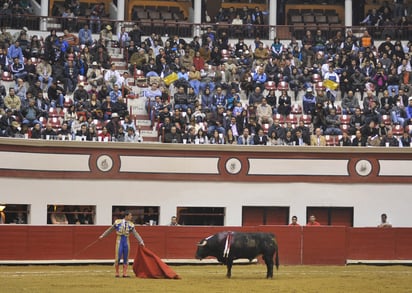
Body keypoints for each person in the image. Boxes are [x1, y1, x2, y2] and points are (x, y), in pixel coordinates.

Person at [99, 211, 144, 277]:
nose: (131, 217)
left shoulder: (131, 224)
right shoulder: (118, 222)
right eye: (130, 215)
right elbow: (110, 230)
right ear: (126, 216)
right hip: (119, 240)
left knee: (126, 256)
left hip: (126, 240)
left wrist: (141, 241)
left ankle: (124, 273)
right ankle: (117, 273)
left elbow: (135, 234)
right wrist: (103, 236)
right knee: (118, 256)